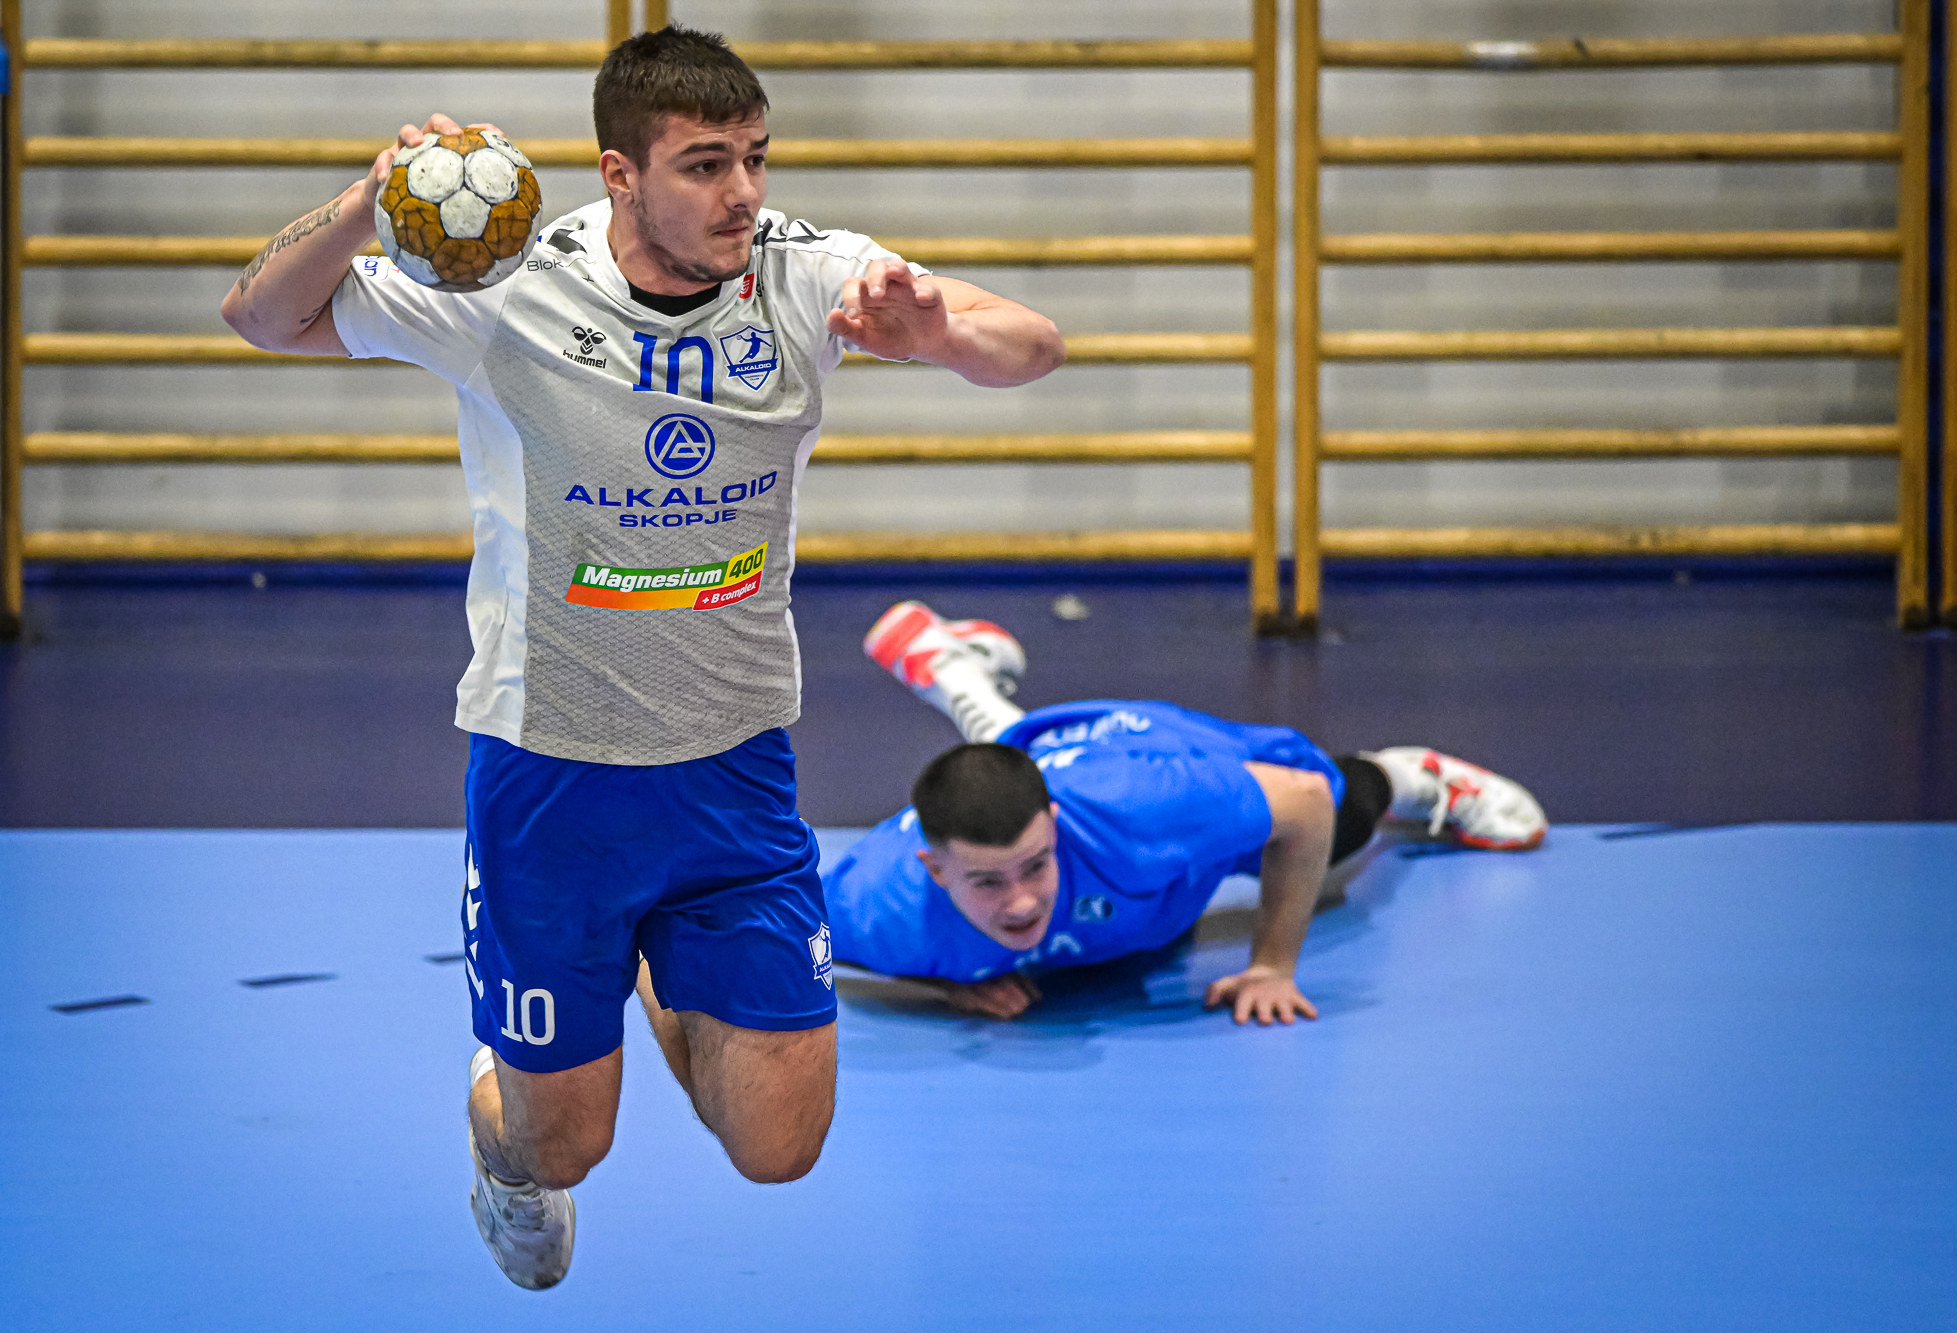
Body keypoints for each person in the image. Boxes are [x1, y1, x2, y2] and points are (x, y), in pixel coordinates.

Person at [221, 29, 1064, 1290]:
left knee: (778, 1147)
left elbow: (1031, 343)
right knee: (561, 1143)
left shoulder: (801, 273)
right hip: (550, 773)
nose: (742, 193)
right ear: (619, 174)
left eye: (755, 158)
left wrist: (937, 333)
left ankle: (669, 961)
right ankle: (504, 1151)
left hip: (733, 768)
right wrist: (366, 202)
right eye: (705, 165)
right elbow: (261, 315)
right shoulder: (507, 286)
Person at [823, 602, 1548, 1021]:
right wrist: (945, 983)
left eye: (1036, 866)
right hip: (1054, 776)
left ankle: (1414, 776)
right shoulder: (876, 909)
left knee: (1334, 822)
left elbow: (1300, 804)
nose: (1020, 901)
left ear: (1055, 826)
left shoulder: (1148, 811)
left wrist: (1271, 965)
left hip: (1141, 757)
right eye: (987, 881)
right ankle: (953, 668)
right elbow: (785, 947)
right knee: (1008, 767)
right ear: (934, 870)